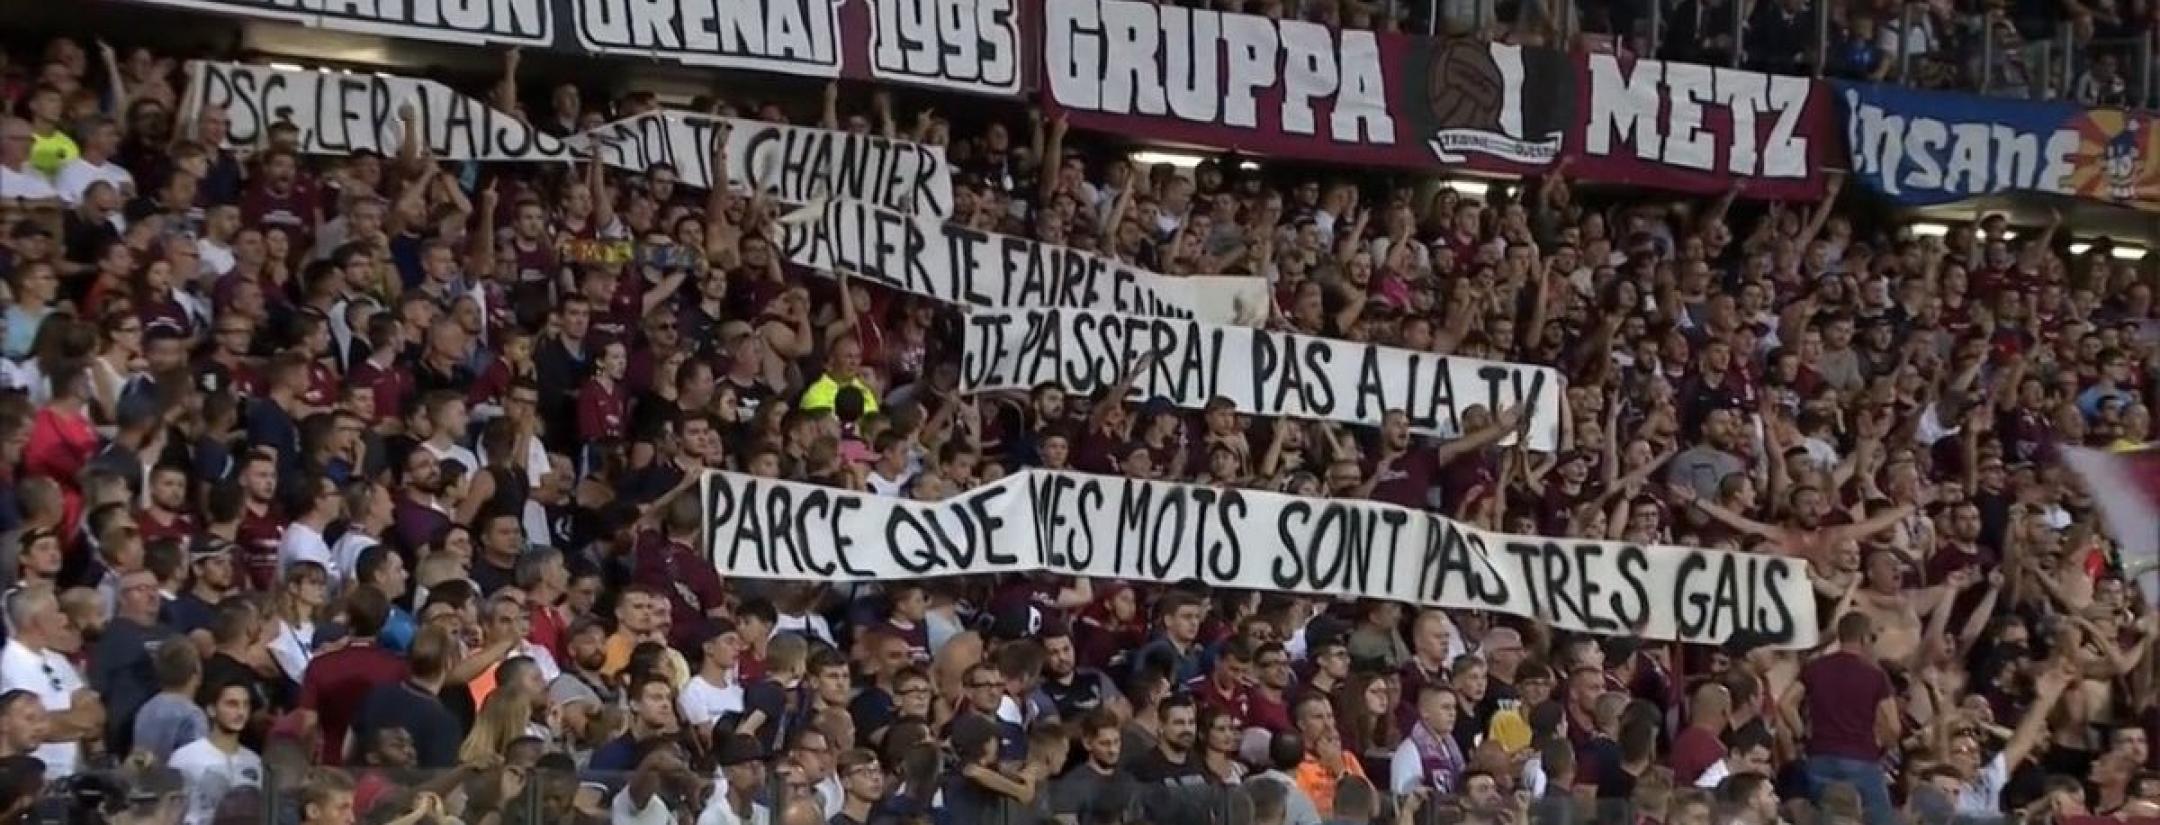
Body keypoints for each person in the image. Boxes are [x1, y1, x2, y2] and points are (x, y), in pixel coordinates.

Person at [0, 586, 95, 778]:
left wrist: (62, 722)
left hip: (71, 772)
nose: (64, 619)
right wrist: (77, 721)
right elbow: (25, 729)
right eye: (56, 612)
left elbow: (95, 712)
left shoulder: (57, 659)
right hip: (31, 777)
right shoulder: (8, 663)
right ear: (34, 622)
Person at [167, 679, 263, 825]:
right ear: (211, 709)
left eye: (246, 705)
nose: (241, 712)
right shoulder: (185, 757)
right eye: (232, 704)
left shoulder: (255, 762)